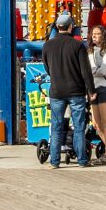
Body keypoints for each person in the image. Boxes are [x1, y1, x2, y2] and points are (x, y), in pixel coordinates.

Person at [41, 12, 96, 168]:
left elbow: (47, 67)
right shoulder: (77, 45)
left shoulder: (47, 45)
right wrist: (91, 90)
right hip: (76, 91)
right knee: (78, 127)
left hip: (56, 91)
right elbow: (86, 71)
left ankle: (54, 161)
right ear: (71, 27)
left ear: (57, 27)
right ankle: (82, 160)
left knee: (56, 126)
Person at [86, 24, 106, 164]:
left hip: (105, 87)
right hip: (93, 88)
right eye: (93, 34)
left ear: (103, 35)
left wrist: (92, 71)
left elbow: (104, 69)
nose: (95, 36)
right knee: (96, 124)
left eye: (98, 34)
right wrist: (93, 70)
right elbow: (92, 67)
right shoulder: (90, 50)